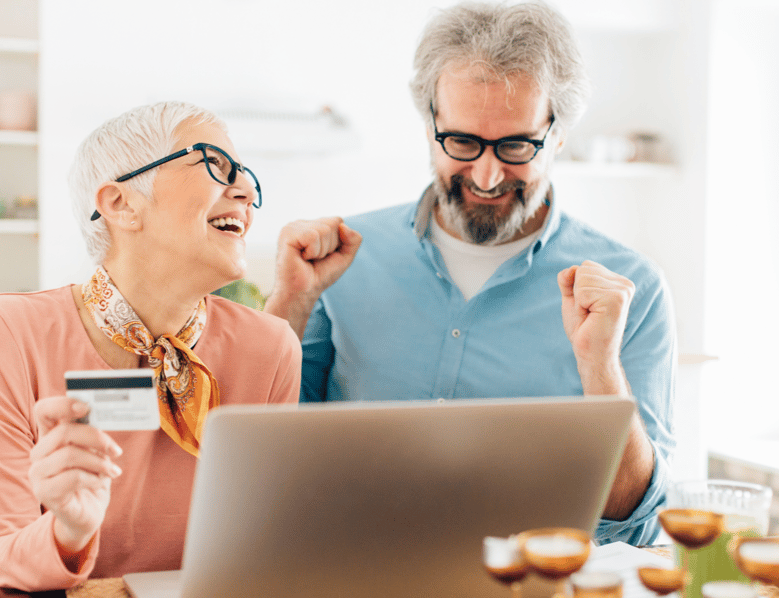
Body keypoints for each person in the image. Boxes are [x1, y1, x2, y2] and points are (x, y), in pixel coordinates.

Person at [263, 1, 675, 546]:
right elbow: (263, 460)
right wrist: (287, 307)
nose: (486, 174)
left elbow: (635, 525)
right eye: (461, 142)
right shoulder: (338, 261)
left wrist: (600, 367)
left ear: (558, 134)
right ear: (429, 122)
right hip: (349, 579)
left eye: (515, 145)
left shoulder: (631, 289)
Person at [0, 102, 301, 591]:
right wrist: (67, 532)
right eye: (216, 166)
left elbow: (263, 554)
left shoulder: (270, 349)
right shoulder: (3, 333)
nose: (245, 192)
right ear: (121, 204)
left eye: (245, 176)